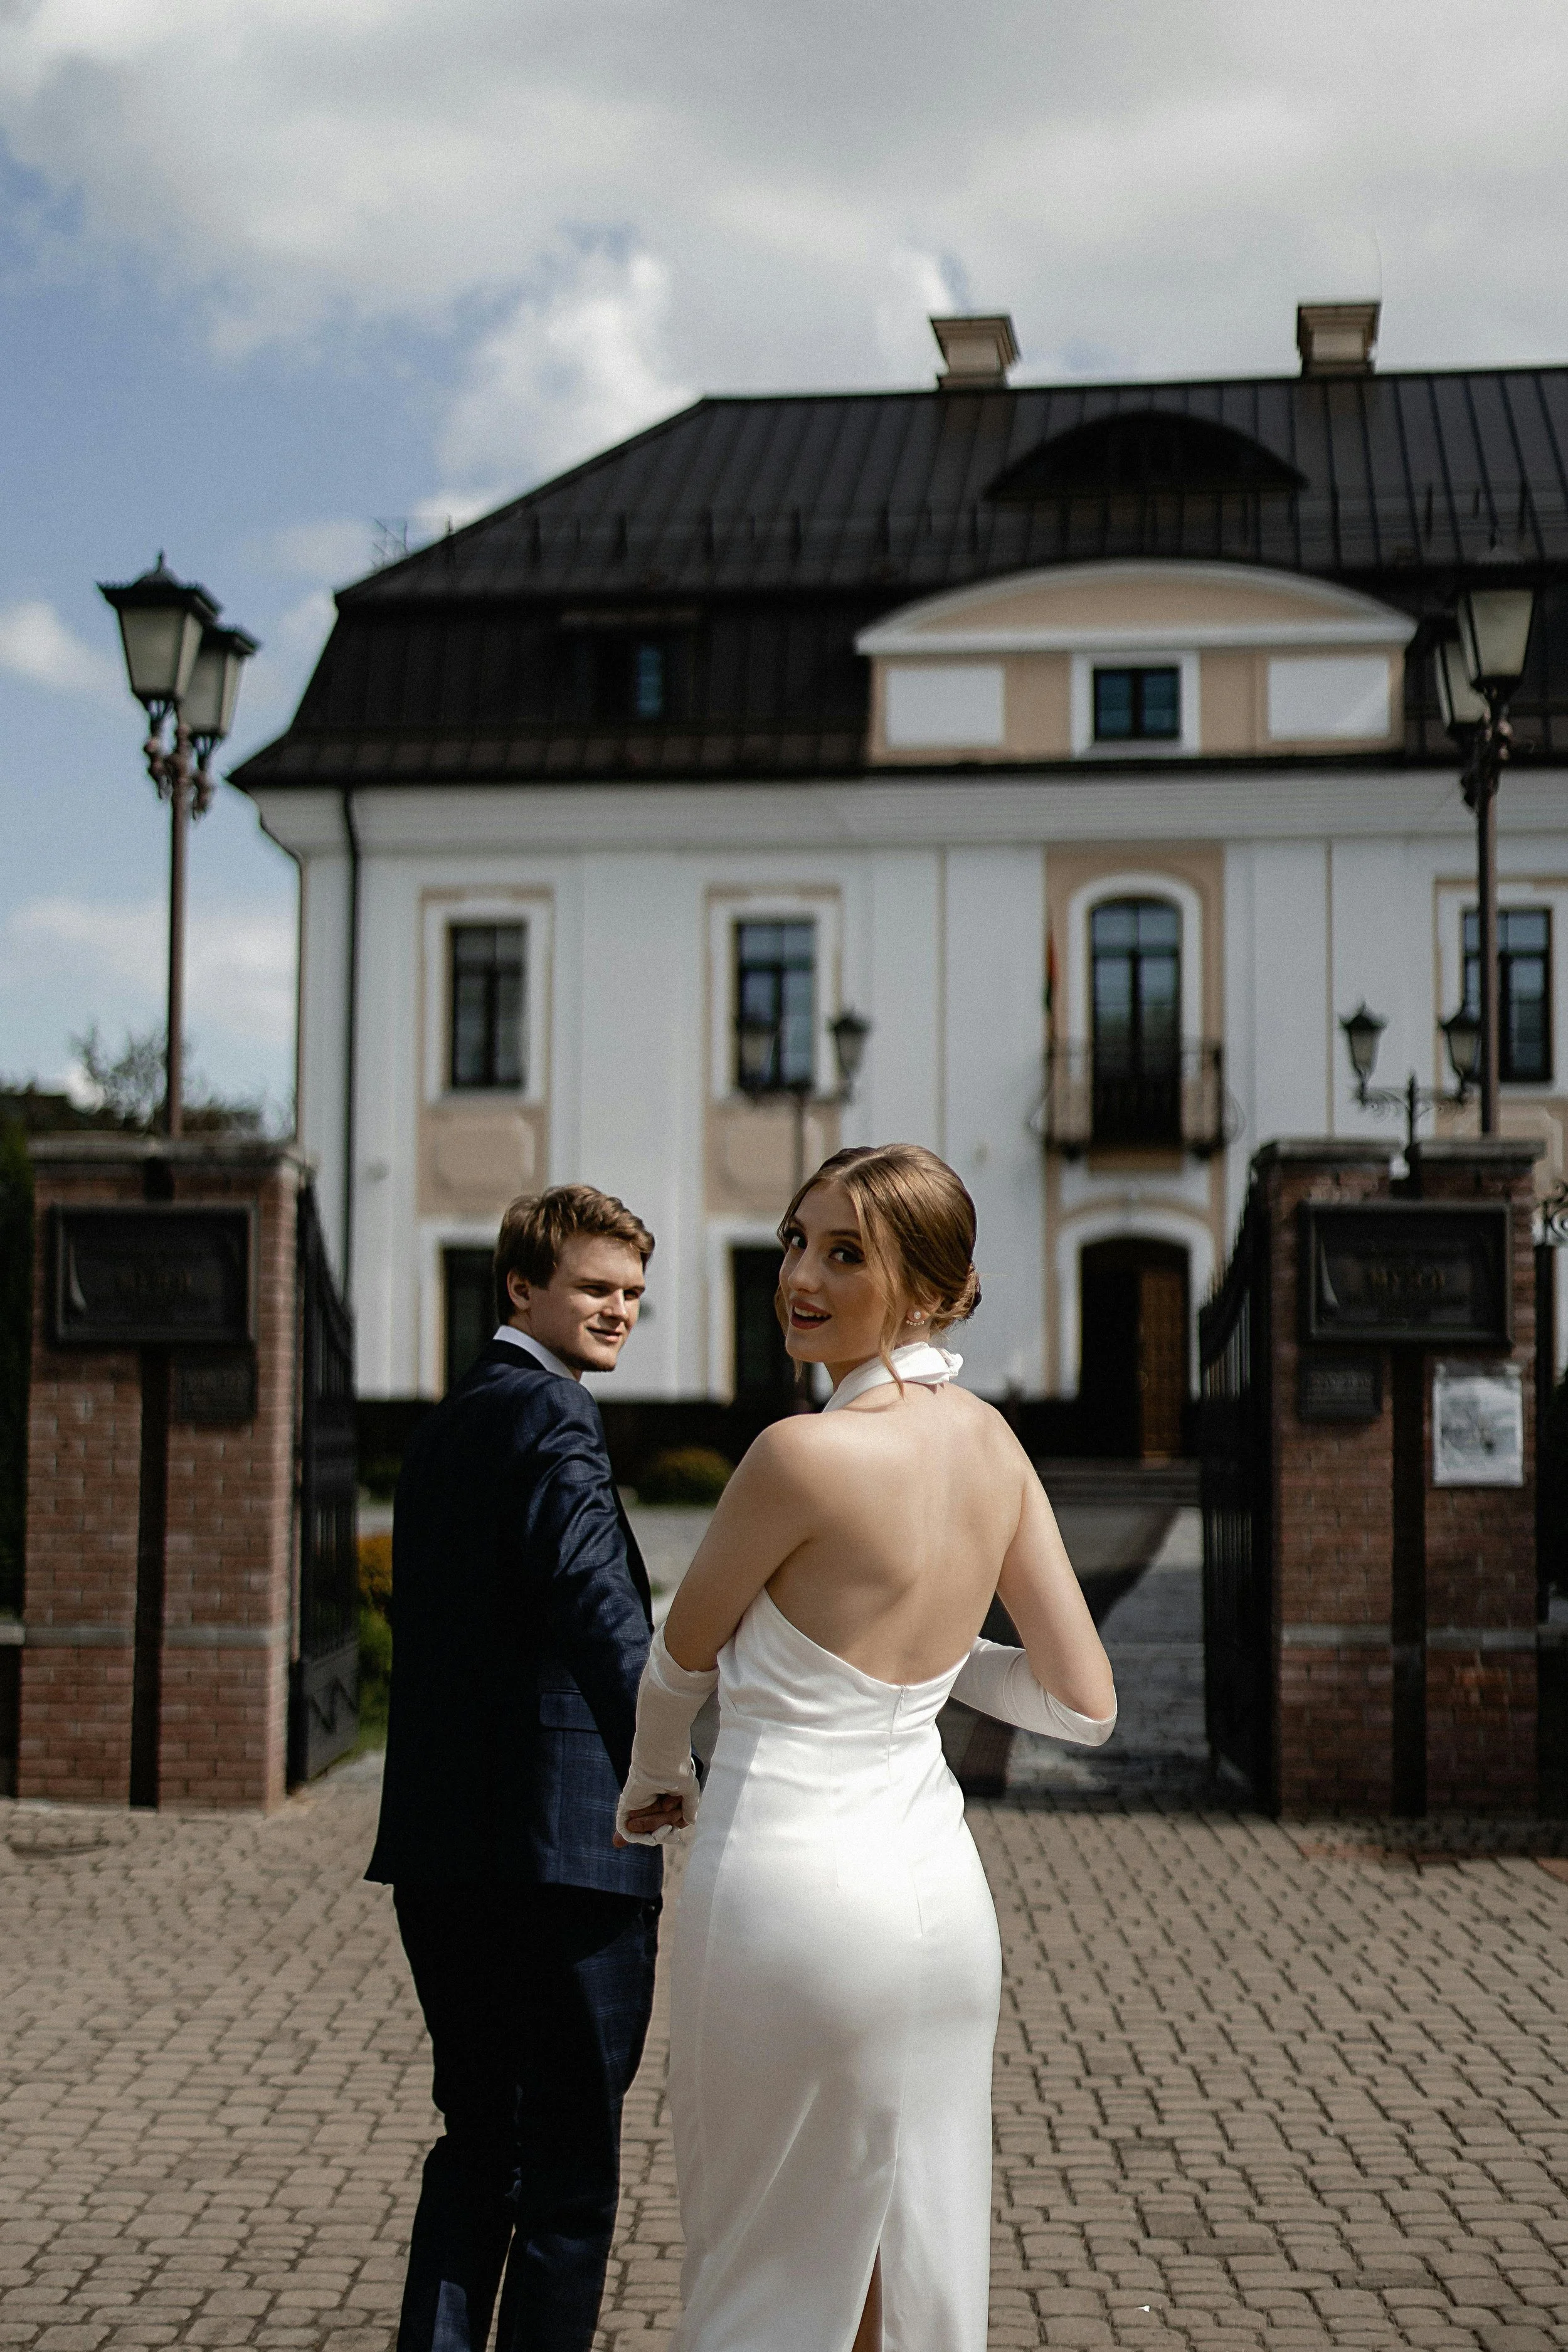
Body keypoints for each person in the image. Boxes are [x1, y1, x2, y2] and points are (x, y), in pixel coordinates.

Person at [616, 1142, 1116, 2352]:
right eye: (797, 1241)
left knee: (762, 2272)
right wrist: (933, 1674)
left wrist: (653, 1777)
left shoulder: (799, 1456)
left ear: (933, 1287)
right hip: (943, 1914)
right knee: (911, 2259)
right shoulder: (994, 1447)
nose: (802, 1275)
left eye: (847, 1253)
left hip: (791, 1898)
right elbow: (1083, 1702)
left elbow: (680, 1657)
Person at [367, 1184, 662, 2352]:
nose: (620, 1311)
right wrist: (667, 1747)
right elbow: (595, 1601)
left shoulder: (446, 1424)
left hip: (444, 1853)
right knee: (570, 2180)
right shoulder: (554, 1415)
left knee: (476, 2148)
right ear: (522, 1288)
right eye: (596, 1287)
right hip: (567, 1859)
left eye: (635, 1292)